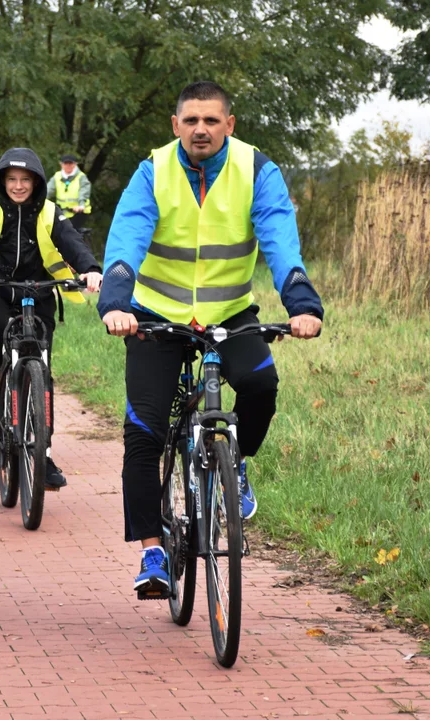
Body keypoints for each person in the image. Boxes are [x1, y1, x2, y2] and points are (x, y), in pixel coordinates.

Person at [97, 81, 323, 595]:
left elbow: (280, 241)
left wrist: (302, 304)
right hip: (155, 316)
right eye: (191, 120)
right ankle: (152, 552)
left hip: (229, 313)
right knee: (145, 431)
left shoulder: (256, 171)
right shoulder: (152, 171)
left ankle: (237, 466)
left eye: (212, 120)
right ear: (175, 125)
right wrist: (115, 302)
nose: (202, 129)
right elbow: (127, 238)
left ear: (230, 124)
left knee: (261, 385)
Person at [0, 148, 103, 488]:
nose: (19, 186)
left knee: (42, 365)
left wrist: (91, 270)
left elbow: (72, 243)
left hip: (38, 292)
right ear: (1, 181)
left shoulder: (50, 212)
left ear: (37, 182)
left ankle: (45, 450)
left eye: (26, 180)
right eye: (12, 179)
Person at [47, 154, 92, 230]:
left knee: (70, 233)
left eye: (70, 163)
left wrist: (81, 205)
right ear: (61, 164)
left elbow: (84, 192)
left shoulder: (81, 177)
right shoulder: (57, 176)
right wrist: (38, 200)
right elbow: (48, 190)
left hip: (78, 212)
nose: (68, 166)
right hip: (62, 212)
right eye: (65, 163)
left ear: (75, 164)